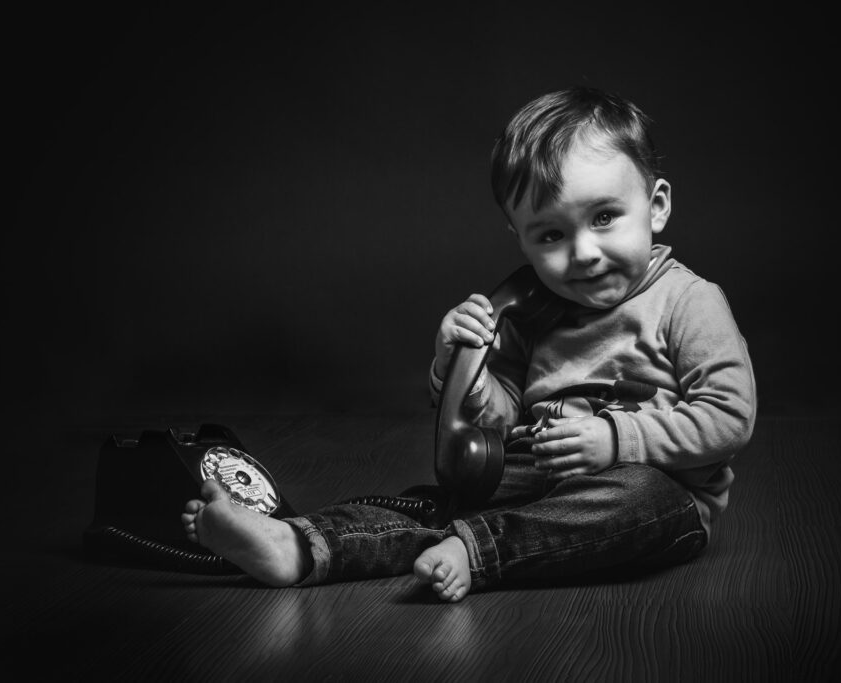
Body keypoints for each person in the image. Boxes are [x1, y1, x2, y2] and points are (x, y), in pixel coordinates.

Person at [181, 86, 757, 602]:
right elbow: (501, 415)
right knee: (435, 502)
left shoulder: (689, 301)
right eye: (552, 235)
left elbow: (729, 416)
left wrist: (615, 440)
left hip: (657, 498)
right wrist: (463, 366)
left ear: (655, 207)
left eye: (605, 217)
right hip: (537, 480)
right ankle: (298, 544)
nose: (582, 253)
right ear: (521, 241)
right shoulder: (536, 312)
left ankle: (477, 550)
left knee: (637, 499)